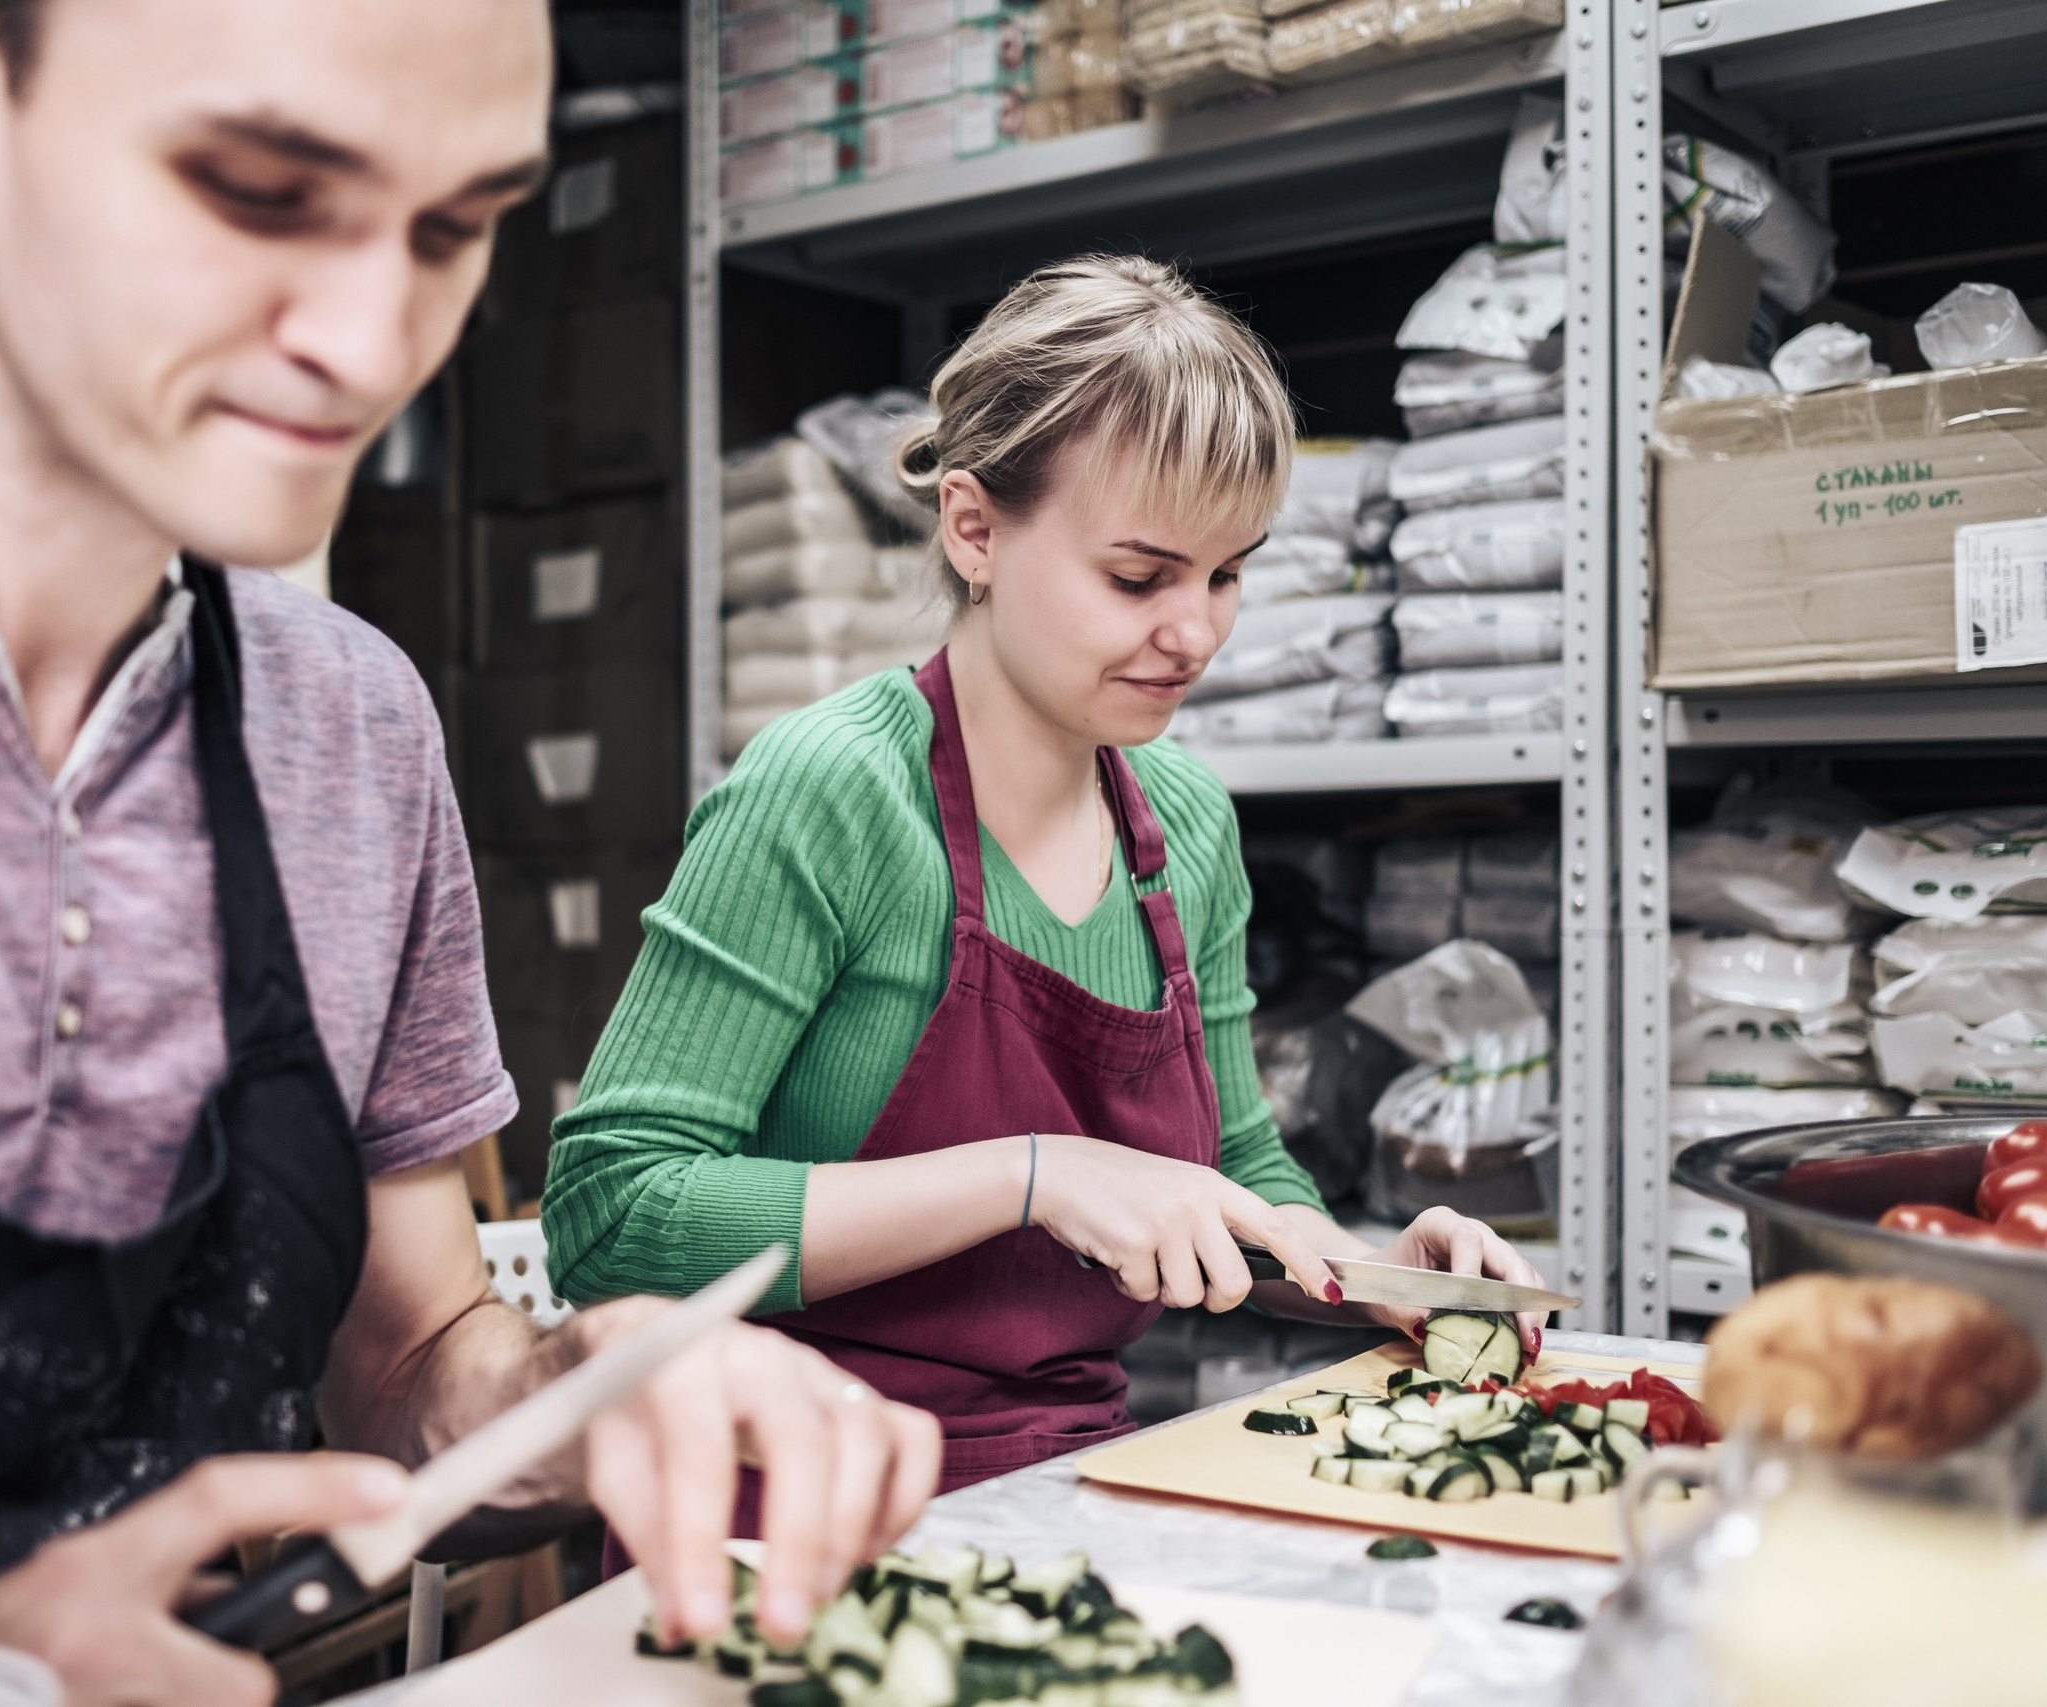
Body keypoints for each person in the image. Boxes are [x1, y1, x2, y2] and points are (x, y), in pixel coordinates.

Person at [0, 0, 941, 1701]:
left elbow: (407, 1355)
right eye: (259, 189)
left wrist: (580, 1392)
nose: (374, 342)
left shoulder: (349, 726)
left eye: (455, 227)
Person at [542, 257, 1548, 1513]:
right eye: (1139, 578)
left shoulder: (1182, 824)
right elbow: (609, 1216)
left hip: (1073, 1491)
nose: (1195, 633)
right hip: (781, 1497)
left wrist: (1369, 1270)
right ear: (974, 528)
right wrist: (1030, 1174)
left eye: (1226, 573)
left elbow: (1236, 1163)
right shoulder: (829, 793)